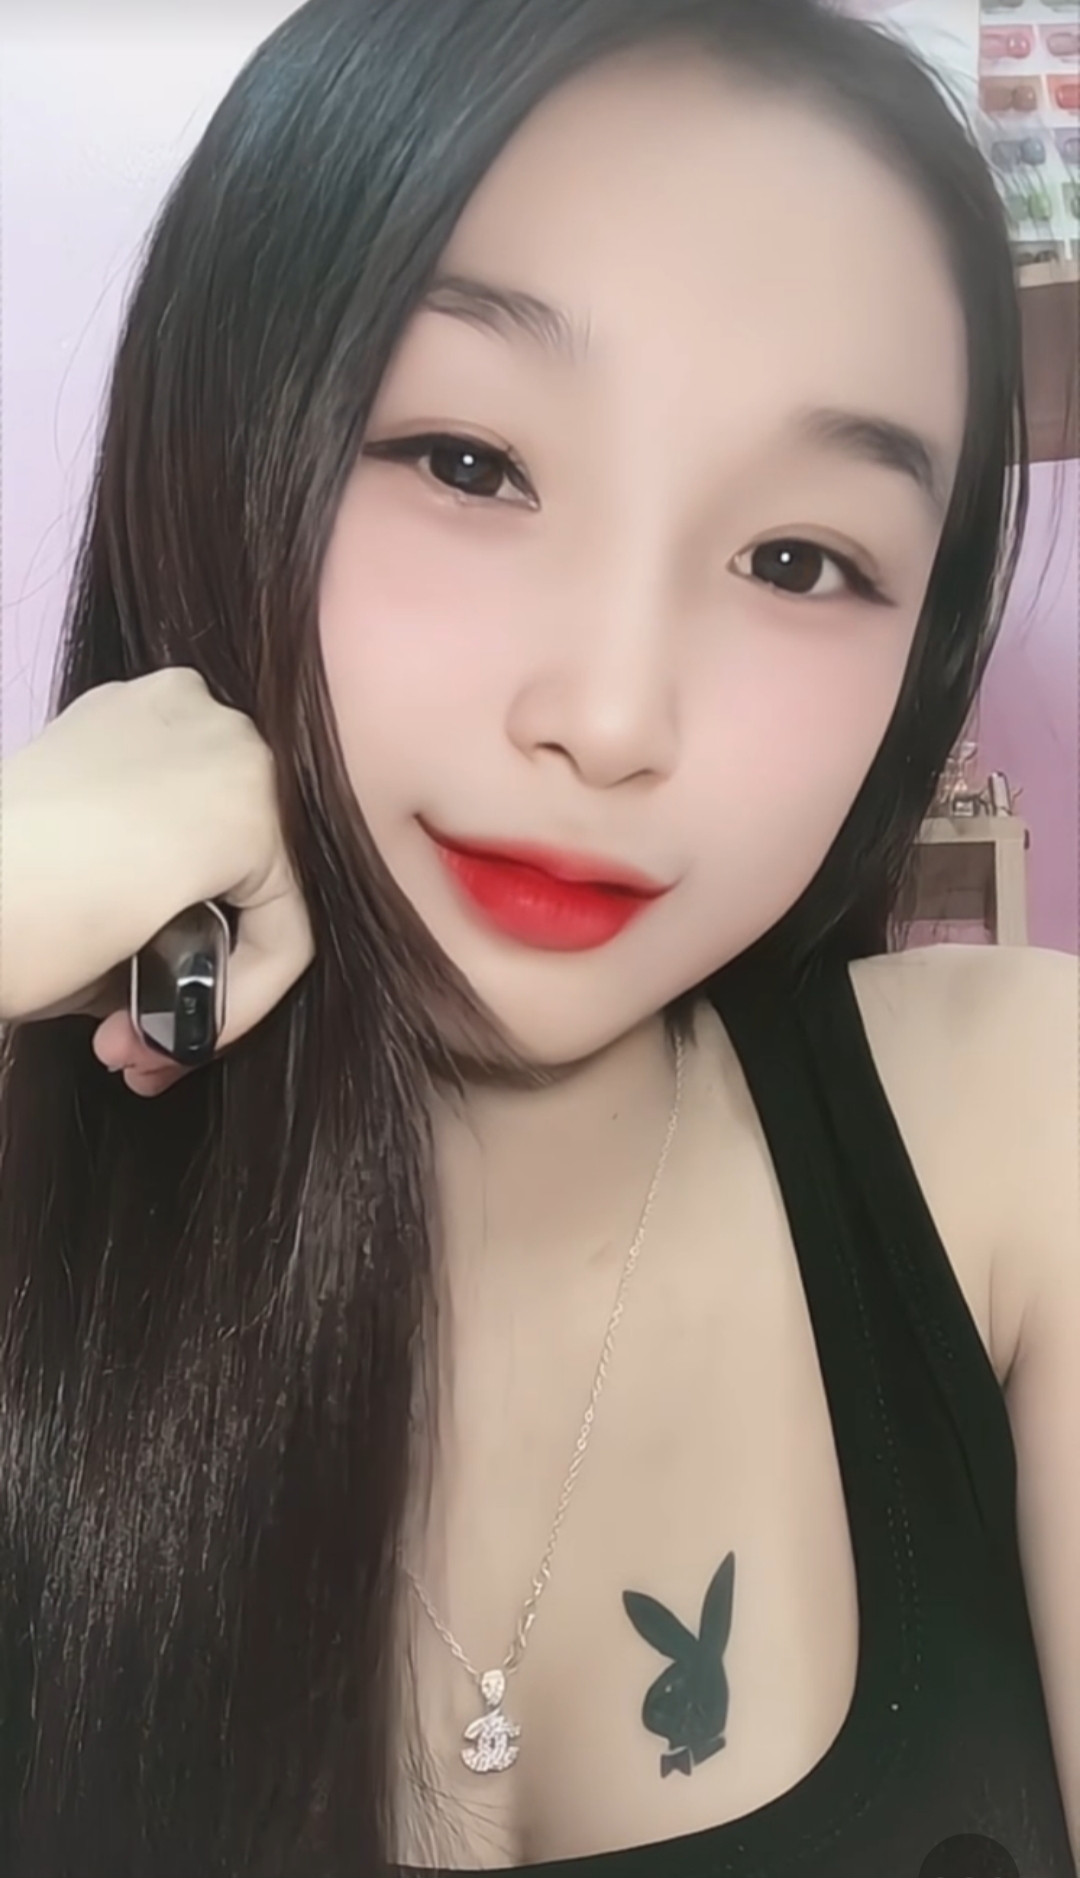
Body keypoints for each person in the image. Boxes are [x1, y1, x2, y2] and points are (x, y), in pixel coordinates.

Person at [0, 1, 1076, 1873]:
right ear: (221, 426)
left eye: (801, 560)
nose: (614, 717)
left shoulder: (1015, 1136)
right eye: (470, 462)